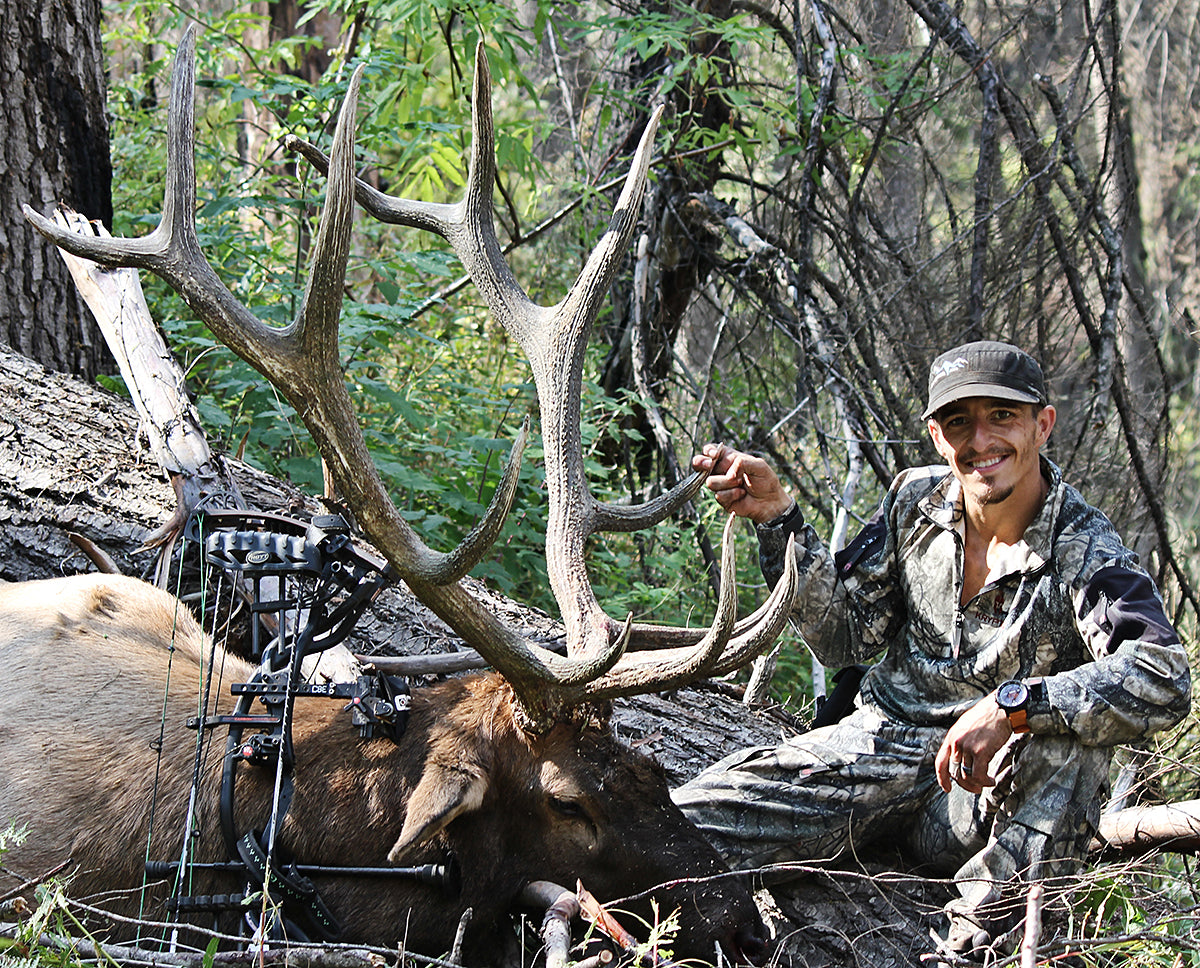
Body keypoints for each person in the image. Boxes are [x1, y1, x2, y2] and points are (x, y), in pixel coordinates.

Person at [671, 340, 1191, 961]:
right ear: (938, 437)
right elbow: (844, 635)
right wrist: (779, 517)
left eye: (1002, 416)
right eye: (958, 421)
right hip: (873, 751)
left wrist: (1013, 707)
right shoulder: (914, 502)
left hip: (981, 798)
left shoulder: (1083, 548)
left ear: (1042, 425)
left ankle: (978, 947)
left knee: (1069, 749)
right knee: (679, 827)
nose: (980, 441)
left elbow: (1164, 673)